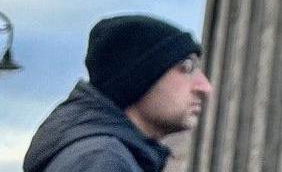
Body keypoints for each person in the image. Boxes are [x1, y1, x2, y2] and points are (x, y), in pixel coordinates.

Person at [24, 15, 210, 172]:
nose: (204, 87)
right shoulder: (102, 160)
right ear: (139, 77)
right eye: (186, 67)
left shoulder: (101, 154)